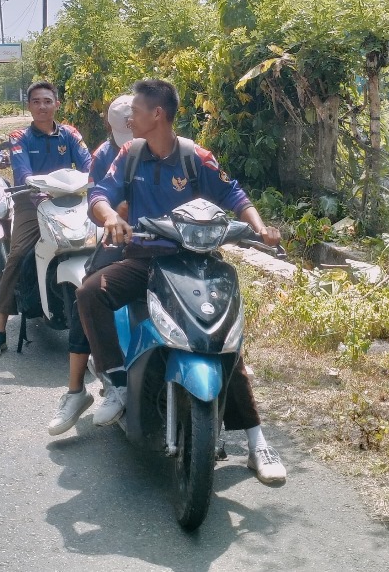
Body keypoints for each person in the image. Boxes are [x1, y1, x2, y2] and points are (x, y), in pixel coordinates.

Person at [79, 78, 287, 485]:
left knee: (222, 340)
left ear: (158, 114)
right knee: (90, 294)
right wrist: (112, 219)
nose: (129, 116)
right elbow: (100, 193)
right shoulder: (130, 153)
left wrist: (261, 229)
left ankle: (256, 439)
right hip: (144, 262)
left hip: (196, 265)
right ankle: (116, 382)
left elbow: (234, 195)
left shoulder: (195, 157)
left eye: (135, 110)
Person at [0, 80, 92, 358]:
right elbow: (22, 172)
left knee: (105, 248)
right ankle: (0, 330)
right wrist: (34, 187)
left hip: (73, 200)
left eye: (47, 101)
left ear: (57, 104)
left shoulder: (70, 133)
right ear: (29, 106)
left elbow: (90, 165)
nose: (42, 106)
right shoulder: (19, 136)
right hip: (33, 203)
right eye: (36, 102)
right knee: (16, 255)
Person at [47, 93, 133, 436]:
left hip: (163, 242)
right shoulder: (103, 156)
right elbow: (97, 204)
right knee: (89, 292)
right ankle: (76, 390)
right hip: (119, 241)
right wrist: (114, 215)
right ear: (111, 128)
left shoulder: (170, 148)